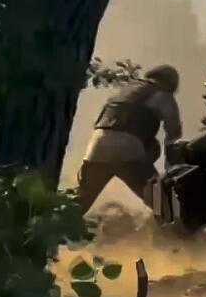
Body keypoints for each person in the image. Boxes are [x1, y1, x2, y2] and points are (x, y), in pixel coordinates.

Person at [76, 64, 182, 215]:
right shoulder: (163, 94)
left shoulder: (124, 92)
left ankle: (43, 233)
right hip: (129, 151)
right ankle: (172, 236)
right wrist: (172, 170)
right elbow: (174, 136)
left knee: (75, 208)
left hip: (96, 148)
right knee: (165, 206)